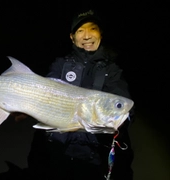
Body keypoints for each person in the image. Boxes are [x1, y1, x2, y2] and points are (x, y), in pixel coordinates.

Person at [12, 8, 135, 180]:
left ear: (100, 33)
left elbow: (123, 102)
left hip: (94, 158)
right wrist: (25, 106)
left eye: (92, 28)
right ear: (72, 37)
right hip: (57, 153)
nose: (87, 36)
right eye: (80, 30)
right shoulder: (60, 64)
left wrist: (122, 123)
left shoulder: (112, 70)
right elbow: (45, 91)